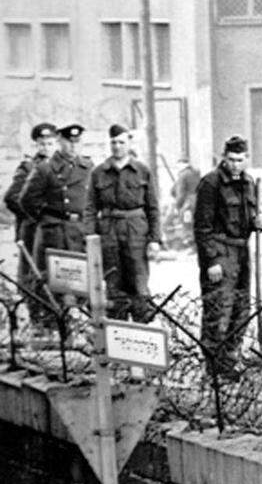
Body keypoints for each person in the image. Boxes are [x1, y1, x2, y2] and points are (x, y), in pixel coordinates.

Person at [193, 134, 262, 377]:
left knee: (241, 308)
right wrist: (211, 261)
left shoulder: (249, 182)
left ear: (247, 159)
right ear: (223, 158)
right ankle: (212, 367)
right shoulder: (211, 183)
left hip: (242, 251)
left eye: (240, 159)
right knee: (218, 309)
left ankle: (230, 361)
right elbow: (202, 227)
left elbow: (251, 215)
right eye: (231, 159)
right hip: (220, 251)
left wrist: (258, 222)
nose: (235, 164)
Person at [19, 123, 93, 329]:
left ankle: (75, 326)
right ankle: (50, 326)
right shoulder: (45, 168)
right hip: (54, 232)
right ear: (60, 142)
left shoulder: (88, 167)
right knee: (51, 280)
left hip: (79, 231)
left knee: (78, 279)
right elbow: (26, 200)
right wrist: (46, 219)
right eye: (69, 142)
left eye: (77, 142)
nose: (73, 146)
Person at [84, 124, 160, 321]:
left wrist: (154, 239)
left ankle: (142, 331)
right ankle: (118, 332)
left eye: (121, 142)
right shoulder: (99, 172)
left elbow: (153, 208)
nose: (117, 146)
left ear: (129, 143)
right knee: (113, 281)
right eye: (113, 142)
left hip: (136, 231)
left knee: (138, 280)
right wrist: (90, 237)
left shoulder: (142, 171)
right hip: (109, 231)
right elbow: (91, 208)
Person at [3, 122, 56, 322]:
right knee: (33, 273)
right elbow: (12, 197)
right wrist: (35, 214)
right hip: (32, 230)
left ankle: (57, 320)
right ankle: (36, 319)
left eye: (50, 143)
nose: (47, 148)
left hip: (55, 229)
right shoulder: (28, 167)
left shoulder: (62, 168)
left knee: (56, 272)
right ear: (36, 145)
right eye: (42, 144)